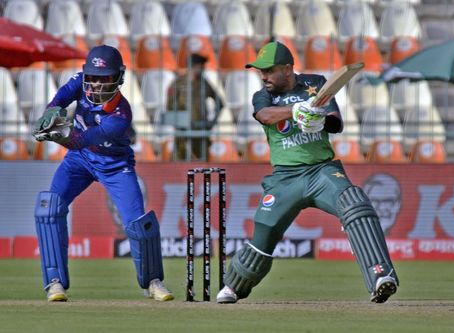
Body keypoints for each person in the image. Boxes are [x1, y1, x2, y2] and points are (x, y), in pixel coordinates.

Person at [216, 41, 399, 304]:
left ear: (288, 69)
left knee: (355, 204)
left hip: (322, 171)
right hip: (285, 178)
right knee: (264, 233)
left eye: (269, 70)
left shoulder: (315, 84)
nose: (263, 76)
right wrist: (296, 110)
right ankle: (234, 284)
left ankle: (381, 276)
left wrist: (320, 119)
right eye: (260, 71)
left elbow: (336, 123)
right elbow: (265, 116)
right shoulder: (263, 96)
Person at [32, 45, 174, 302]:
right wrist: (51, 113)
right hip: (79, 162)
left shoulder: (121, 114)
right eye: (93, 78)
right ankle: (54, 283)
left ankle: (153, 281)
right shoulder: (80, 82)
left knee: (137, 222)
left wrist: (56, 134)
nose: (96, 85)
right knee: (49, 208)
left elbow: (83, 139)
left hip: (114, 164)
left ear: (118, 78)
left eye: (104, 79)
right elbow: (62, 97)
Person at [166, 53, 222, 160]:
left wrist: (212, 122)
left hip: (200, 130)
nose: (203, 69)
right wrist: (177, 124)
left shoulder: (204, 83)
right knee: (179, 161)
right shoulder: (178, 83)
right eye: (201, 66)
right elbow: (169, 107)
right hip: (182, 132)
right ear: (193, 66)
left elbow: (220, 103)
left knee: (202, 163)